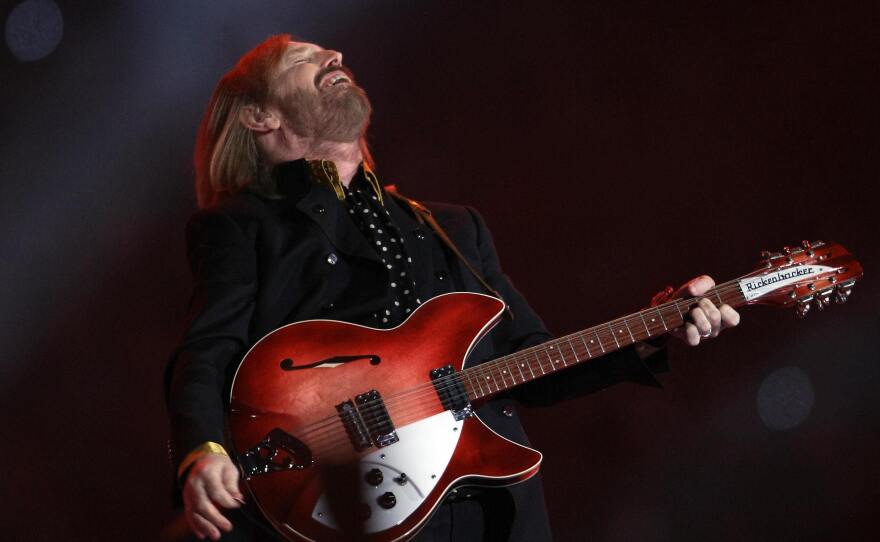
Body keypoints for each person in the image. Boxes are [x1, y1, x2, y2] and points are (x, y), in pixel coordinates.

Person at [165, 34, 740, 542]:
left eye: (332, 53)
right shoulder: (242, 228)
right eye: (303, 59)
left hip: (493, 513)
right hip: (354, 511)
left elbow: (530, 359)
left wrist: (660, 323)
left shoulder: (452, 226)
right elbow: (207, 352)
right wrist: (203, 449)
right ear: (259, 116)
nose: (335, 55)